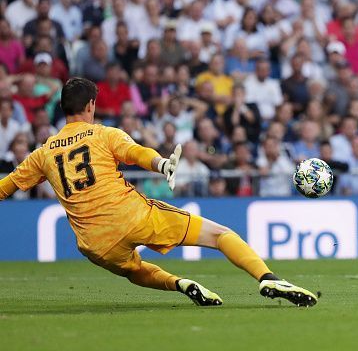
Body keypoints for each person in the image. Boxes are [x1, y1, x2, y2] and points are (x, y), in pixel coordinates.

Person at [0, 78, 317, 307]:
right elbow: (136, 152)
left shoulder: (43, 153)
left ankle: (180, 284)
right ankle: (267, 277)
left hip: (94, 244)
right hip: (132, 217)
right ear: (91, 105)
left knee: (134, 271)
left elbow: (7, 186)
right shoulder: (103, 134)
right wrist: (162, 163)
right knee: (220, 235)